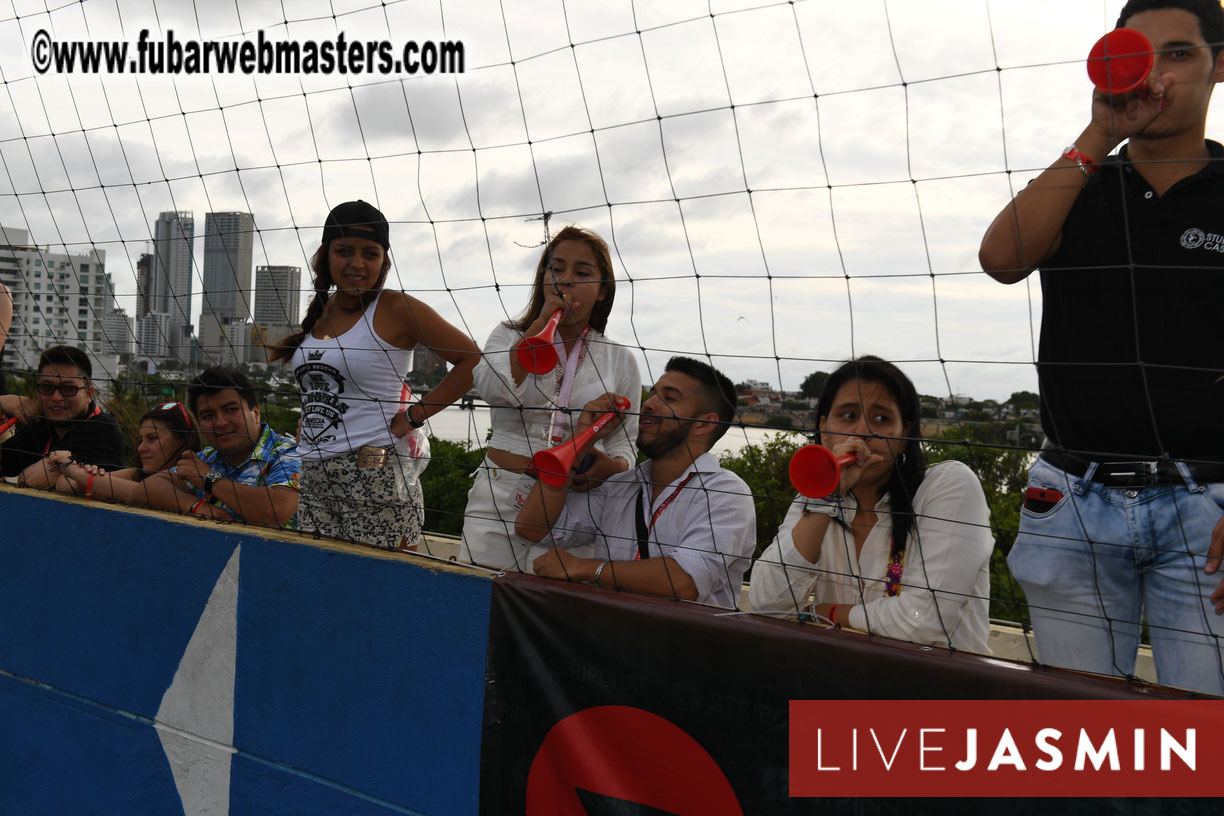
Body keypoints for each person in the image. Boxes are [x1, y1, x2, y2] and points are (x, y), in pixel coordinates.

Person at [979, 0, 1224, 691]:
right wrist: (1101, 132)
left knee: (1202, 734)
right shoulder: (1079, 183)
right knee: (1079, 727)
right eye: (1138, 57)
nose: (1157, 74)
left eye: (1179, 53)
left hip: (1209, 509)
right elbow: (1001, 258)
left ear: (1220, 65)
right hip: (1072, 500)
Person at [270, 200, 480, 549]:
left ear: (384, 261)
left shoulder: (395, 308)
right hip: (313, 474)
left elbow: (472, 361)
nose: (357, 264)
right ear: (325, 256)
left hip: (373, 475)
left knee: (377, 579)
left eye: (370, 254)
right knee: (319, 576)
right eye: (344, 251)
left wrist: (412, 417)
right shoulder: (322, 310)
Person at [748, 357, 994, 653]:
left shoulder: (947, 486)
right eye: (848, 415)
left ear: (904, 436)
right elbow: (767, 603)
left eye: (881, 419)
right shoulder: (814, 497)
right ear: (824, 429)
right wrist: (826, 499)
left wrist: (828, 612)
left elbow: (923, 622)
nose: (862, 431)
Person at [463, 226, 641, 571]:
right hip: (499, 494)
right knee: (481, 591)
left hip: (574, 503)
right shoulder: (508, 335)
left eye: (582, 273)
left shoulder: (620, 359)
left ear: (603, 290)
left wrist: (611, 468)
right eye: (556, 269)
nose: (565, 280)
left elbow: (625, 443)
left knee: (550, 599)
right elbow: (490, 388)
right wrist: (538, 328)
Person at [515, 357, 754, 608]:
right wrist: (580, 440)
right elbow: (532, 528)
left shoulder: (726, 493)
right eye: (653, 394)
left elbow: (684, 581)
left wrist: (582, 567)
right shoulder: (619, 486)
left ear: (704, 424)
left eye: (669, 398)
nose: (648, 404)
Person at [125, 367, 300, 527]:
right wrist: (197, 506)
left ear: (255, 413)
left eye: (231, 410)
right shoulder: (207, 458)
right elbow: (146, 489)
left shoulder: (288, 453)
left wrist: (210, 480)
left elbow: (275, 510)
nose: (220, 422)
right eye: (208, 416)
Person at [0, 345, 125, 486]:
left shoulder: (102, 430)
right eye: (47, 387)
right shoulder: (43, 424)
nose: (56, 397)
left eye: (68, 388)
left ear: (89, 394)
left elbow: (33, 479)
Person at [56, 401, 200, 502]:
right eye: (141, 440)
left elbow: (141, 492)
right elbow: (64, 484)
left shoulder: (191, 479)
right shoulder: (137, 474)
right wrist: (85, 479)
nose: (140, 448)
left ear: (183, 441)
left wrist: (78, 473)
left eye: (152, 438)